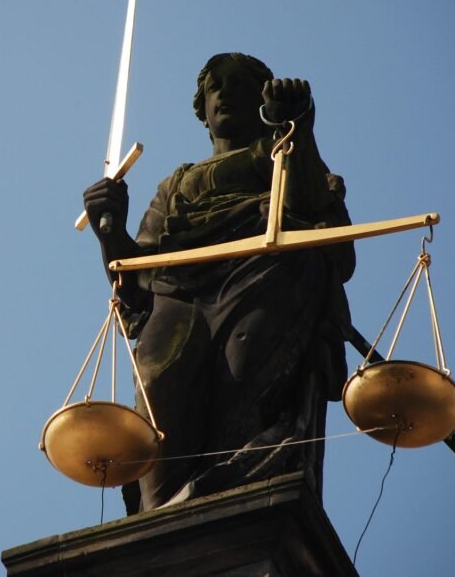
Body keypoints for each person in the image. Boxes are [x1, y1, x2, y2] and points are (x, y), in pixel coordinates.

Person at [82, 53, 355, 514]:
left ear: (263, 102)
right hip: (180, 293)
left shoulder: (281, 155)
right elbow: (135, 284)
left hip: (263, 277)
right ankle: (159, 519)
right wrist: (109, 231)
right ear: (203, 111)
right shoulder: (176, 185)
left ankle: (238, 500)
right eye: (216, 87)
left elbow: (324, 228)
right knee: (157, 380)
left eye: (240, 85)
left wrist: (297, 127)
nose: (225, 93)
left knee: (245, 375)